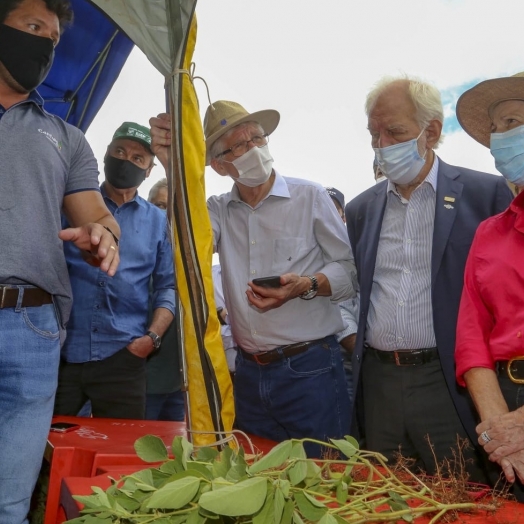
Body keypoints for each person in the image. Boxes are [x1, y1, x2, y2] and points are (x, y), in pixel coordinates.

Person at [150, 100, 356, 456]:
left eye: (257, 138)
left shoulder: (310, 197)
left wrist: (305, 286)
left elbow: (349, 271)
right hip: (248, 375)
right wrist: (173, 163)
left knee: (325, 477)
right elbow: (186, 241)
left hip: (311, 370)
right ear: (218, 165)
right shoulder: (216, 210)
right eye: (239, 145)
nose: (255, 149)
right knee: (261, 479)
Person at [345, 75, 513, 478]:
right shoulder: (361, 210)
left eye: (395, 131)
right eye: (374, 134)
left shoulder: (485, 195)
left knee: (461, 494)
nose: (382, 145)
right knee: (384, 496)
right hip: (380, 383)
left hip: (450, 384)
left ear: (431, 131)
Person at [0, 0, 121, 521]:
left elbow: (97, 213)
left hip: (33, 325)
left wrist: (102, 233)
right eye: (32, 29)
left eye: (52, 40)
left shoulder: (67, 137)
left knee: (10, 498)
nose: (44, 46)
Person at [54, 123, 176, 419]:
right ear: (106, 155)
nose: (126, 160)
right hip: (62, 354)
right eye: (119, 151)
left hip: (124, 357)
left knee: (123, 455)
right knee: (51, 453)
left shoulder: (157, 222)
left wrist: (152, 339)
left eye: (138, 158)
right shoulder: (69, 207)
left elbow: (167, 287)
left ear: (148, 171)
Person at [455, 72, 524, 497]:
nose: (500, 138)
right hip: (504, 409)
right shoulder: (489, 233)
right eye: (496, 129)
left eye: (512, 122)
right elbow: (471, 337)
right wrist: (499, 427)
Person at [145, 179, 185, 421]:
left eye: (173, 210)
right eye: (160, 206)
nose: (166, 216)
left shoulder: (191, 264)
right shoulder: (135, 257)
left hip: (178, 385)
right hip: (142, 384)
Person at [326, 186, 357, 402]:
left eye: (333, 209)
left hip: (356, 354)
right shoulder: (306, 251)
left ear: (343, 216)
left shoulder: (356, 247)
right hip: (329, 355)